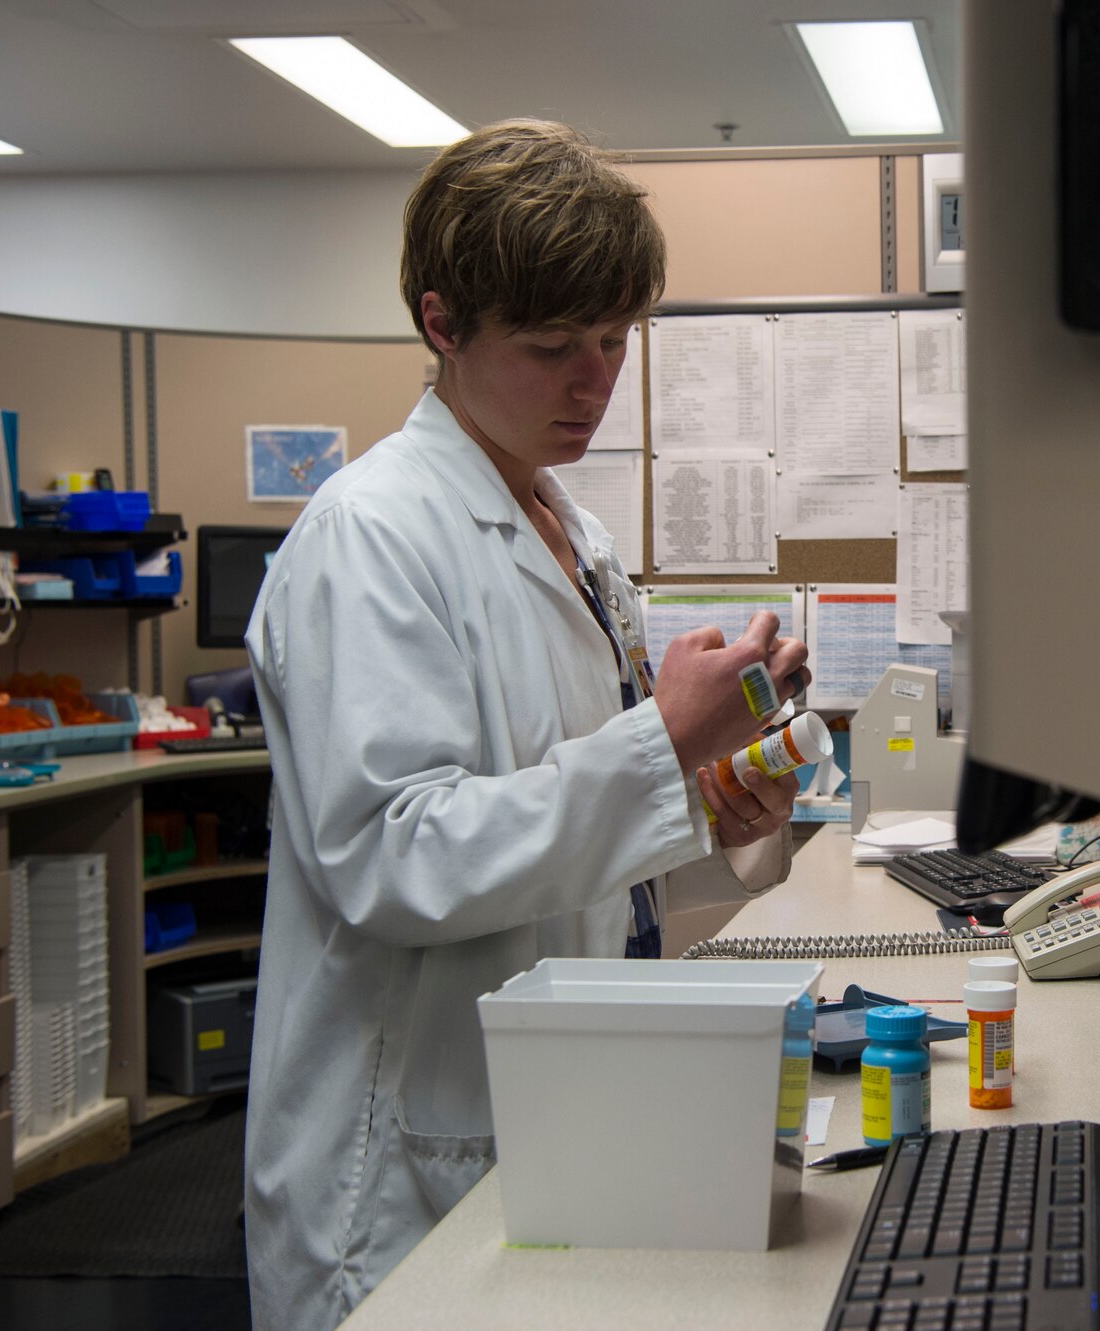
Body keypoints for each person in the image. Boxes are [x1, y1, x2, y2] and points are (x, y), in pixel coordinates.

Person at [241, 119, 809, 1330]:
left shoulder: (575, 536)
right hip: (401, 1157)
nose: (593, 383)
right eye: (553, 346)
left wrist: (710, 805)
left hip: (560, 1107)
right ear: (442, 325)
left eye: (613, 341)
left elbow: (564, 824)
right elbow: (395, 855)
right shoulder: (369, 539)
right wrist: (659, 746)